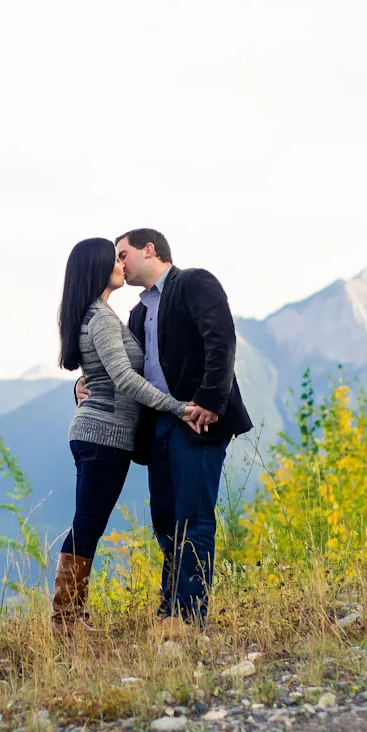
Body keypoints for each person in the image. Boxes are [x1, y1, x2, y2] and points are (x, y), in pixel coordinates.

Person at [79, 229, 252, 635]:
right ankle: (169, 609)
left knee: (194, 516)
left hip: (197, 419)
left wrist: (210, 401)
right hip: (158, 424)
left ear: (149, 249)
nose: (119, 264)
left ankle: (189, 615)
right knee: (166, 519)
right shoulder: (138, 314)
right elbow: (123, 368)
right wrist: (82, 384)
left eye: (123, 254)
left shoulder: (194, 282)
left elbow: (221, 340)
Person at [53, 238, 203, 632]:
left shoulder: (94, 314)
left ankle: (70, 617)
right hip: (104, 435)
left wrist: (81, 385)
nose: (121, 265)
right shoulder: (101, 317)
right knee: (88, 525)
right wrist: (178, 406)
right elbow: (123, 378)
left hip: (98, 434)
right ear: (98, 268)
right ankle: (66, 619)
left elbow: (98, 374)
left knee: (88, 523)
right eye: (114, 259)